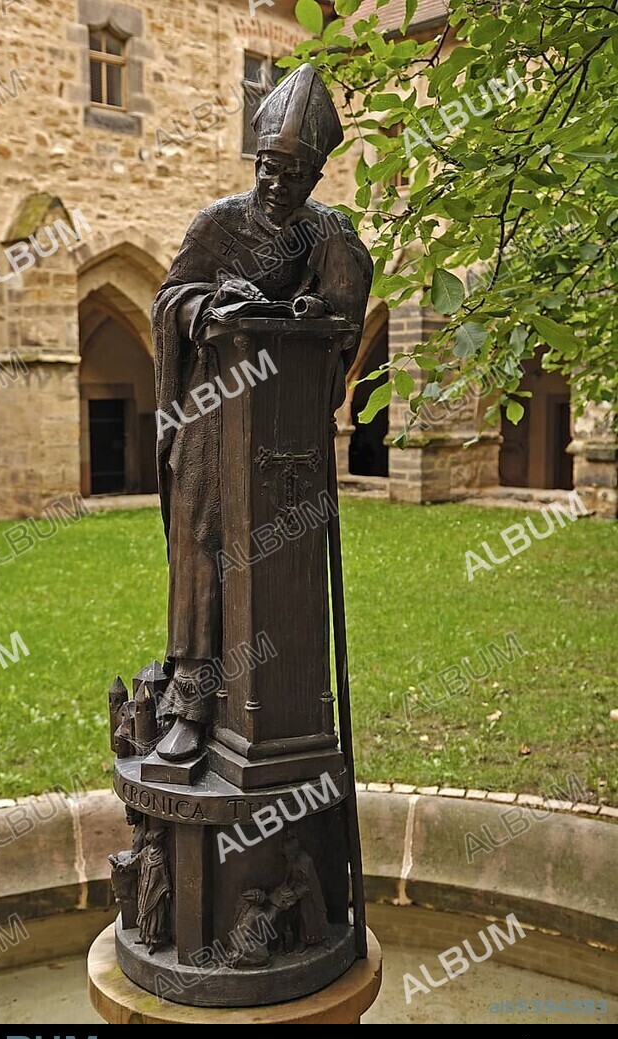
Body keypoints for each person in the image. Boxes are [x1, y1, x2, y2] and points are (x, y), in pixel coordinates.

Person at [151, 63, 373, 761]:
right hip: (215, 416)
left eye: (295, 172)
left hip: (284, 427)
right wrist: (213, 305)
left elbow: (344, 315)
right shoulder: (217, 225)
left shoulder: (327, 231)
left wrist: (318, 309)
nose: (277, 182)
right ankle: (191, 695)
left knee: (284, 551)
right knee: (200, 539)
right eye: (269, 166)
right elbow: (168, 299)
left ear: (315, 175)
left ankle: (279, 700)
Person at [136, 832, 172, 955]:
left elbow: (164, 873)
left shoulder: (162, 855)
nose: (154, 843)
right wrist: (123, 864)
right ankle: (144, 937)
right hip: (145, 888)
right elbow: (136, 860)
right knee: (144, 913)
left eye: (156, 841)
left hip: (157, 890)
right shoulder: (146, 852)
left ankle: (154, 941)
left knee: (156, 915)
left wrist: (167, 889)